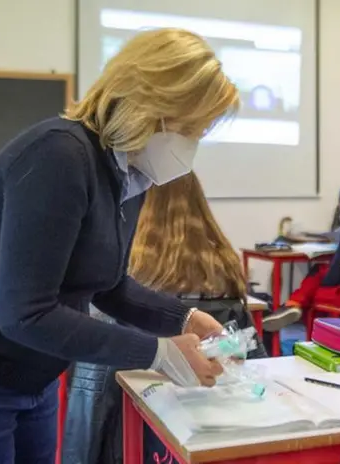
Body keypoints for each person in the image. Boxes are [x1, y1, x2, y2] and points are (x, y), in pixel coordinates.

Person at [0, 28, 238, 464]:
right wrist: (157, 352)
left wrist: (182, 317)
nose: (193, 144)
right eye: (192, 129)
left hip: (32, 372)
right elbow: (25, 313)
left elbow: (108, 284)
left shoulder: (129, 171)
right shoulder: (58, 156)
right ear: (155, 106)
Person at [62, 172, 266, 464]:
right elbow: (249, 357)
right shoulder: (223, 262)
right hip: (215, 422)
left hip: (129, 430)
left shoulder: (125, 265)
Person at [263, 183, 340, 331]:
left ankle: (293, 305)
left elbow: (334, 274)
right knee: (319, 270)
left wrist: (322, 284)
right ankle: (293, 304)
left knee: (314, 286)